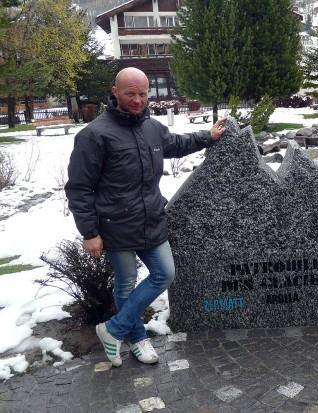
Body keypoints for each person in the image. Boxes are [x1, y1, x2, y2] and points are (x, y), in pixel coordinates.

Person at [65, 67, 226, 367]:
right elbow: (79, 188)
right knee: (126, 284)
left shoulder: (151, 128)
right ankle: (137, 339)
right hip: (116, 226)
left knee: (165, 273)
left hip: (151, 220)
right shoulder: (94, 135)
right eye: (131, 94)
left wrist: (209, 136)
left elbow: (176, 145)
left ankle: (113, 330)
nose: (138, 100)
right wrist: (90, 233)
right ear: (115, 92)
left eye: (142, 94)